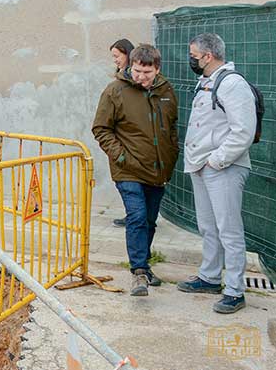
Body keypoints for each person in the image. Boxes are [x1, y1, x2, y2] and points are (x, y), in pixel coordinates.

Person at [177, 33, 257, 314]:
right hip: (203, 165)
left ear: (208, 56)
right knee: (208, 227)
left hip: (224, 168)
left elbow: (243, 131)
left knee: (229, 230)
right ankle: (210, 277)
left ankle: (235, 291)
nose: (191, 60)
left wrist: (216, 160)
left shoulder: (232, 84)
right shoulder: (207, 82)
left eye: (194, 56)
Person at [92, 44, 178, 297]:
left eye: (146, 72)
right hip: (127, 169)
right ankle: (138, 272)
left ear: (157, 70)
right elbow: (100, 128)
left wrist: (171, 155)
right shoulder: (115, 91)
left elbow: (172, 126)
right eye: (137, 70)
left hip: (157, 170)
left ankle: (145, 264)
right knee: (137, 216)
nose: (140, 76)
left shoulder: (166, 91)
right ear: (131, 66)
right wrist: (120, 156)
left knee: (150, 221)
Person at [108, 38, 135, 228]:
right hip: (120, 138)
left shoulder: (133, 78)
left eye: (117, 56)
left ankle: (134, 215)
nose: (115, 60)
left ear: (127, 54)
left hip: (129, 138)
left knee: (128, 181)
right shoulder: (121, 76)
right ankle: (132, 214)